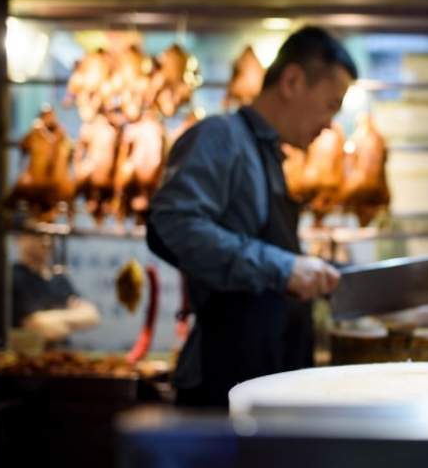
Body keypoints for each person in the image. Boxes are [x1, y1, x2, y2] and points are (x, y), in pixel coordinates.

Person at [147, 26, 356, 407]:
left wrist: (306, 267)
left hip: (271, 372)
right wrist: (283, 268)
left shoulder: (270, 157)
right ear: (292, 81)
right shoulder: (221, 137)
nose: (330, 123)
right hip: (224, 380)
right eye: (331, 104)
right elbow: (171, 225)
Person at [11, 234, 101, 343]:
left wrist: (56, 322)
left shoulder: (58, 278)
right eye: (37, 234)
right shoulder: (13, 276)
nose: (46, 240)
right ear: (19, 239)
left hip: (60, 355)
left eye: (48, 234)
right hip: (27, 356)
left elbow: (92, 316)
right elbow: (39, 325)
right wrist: (73, 321)